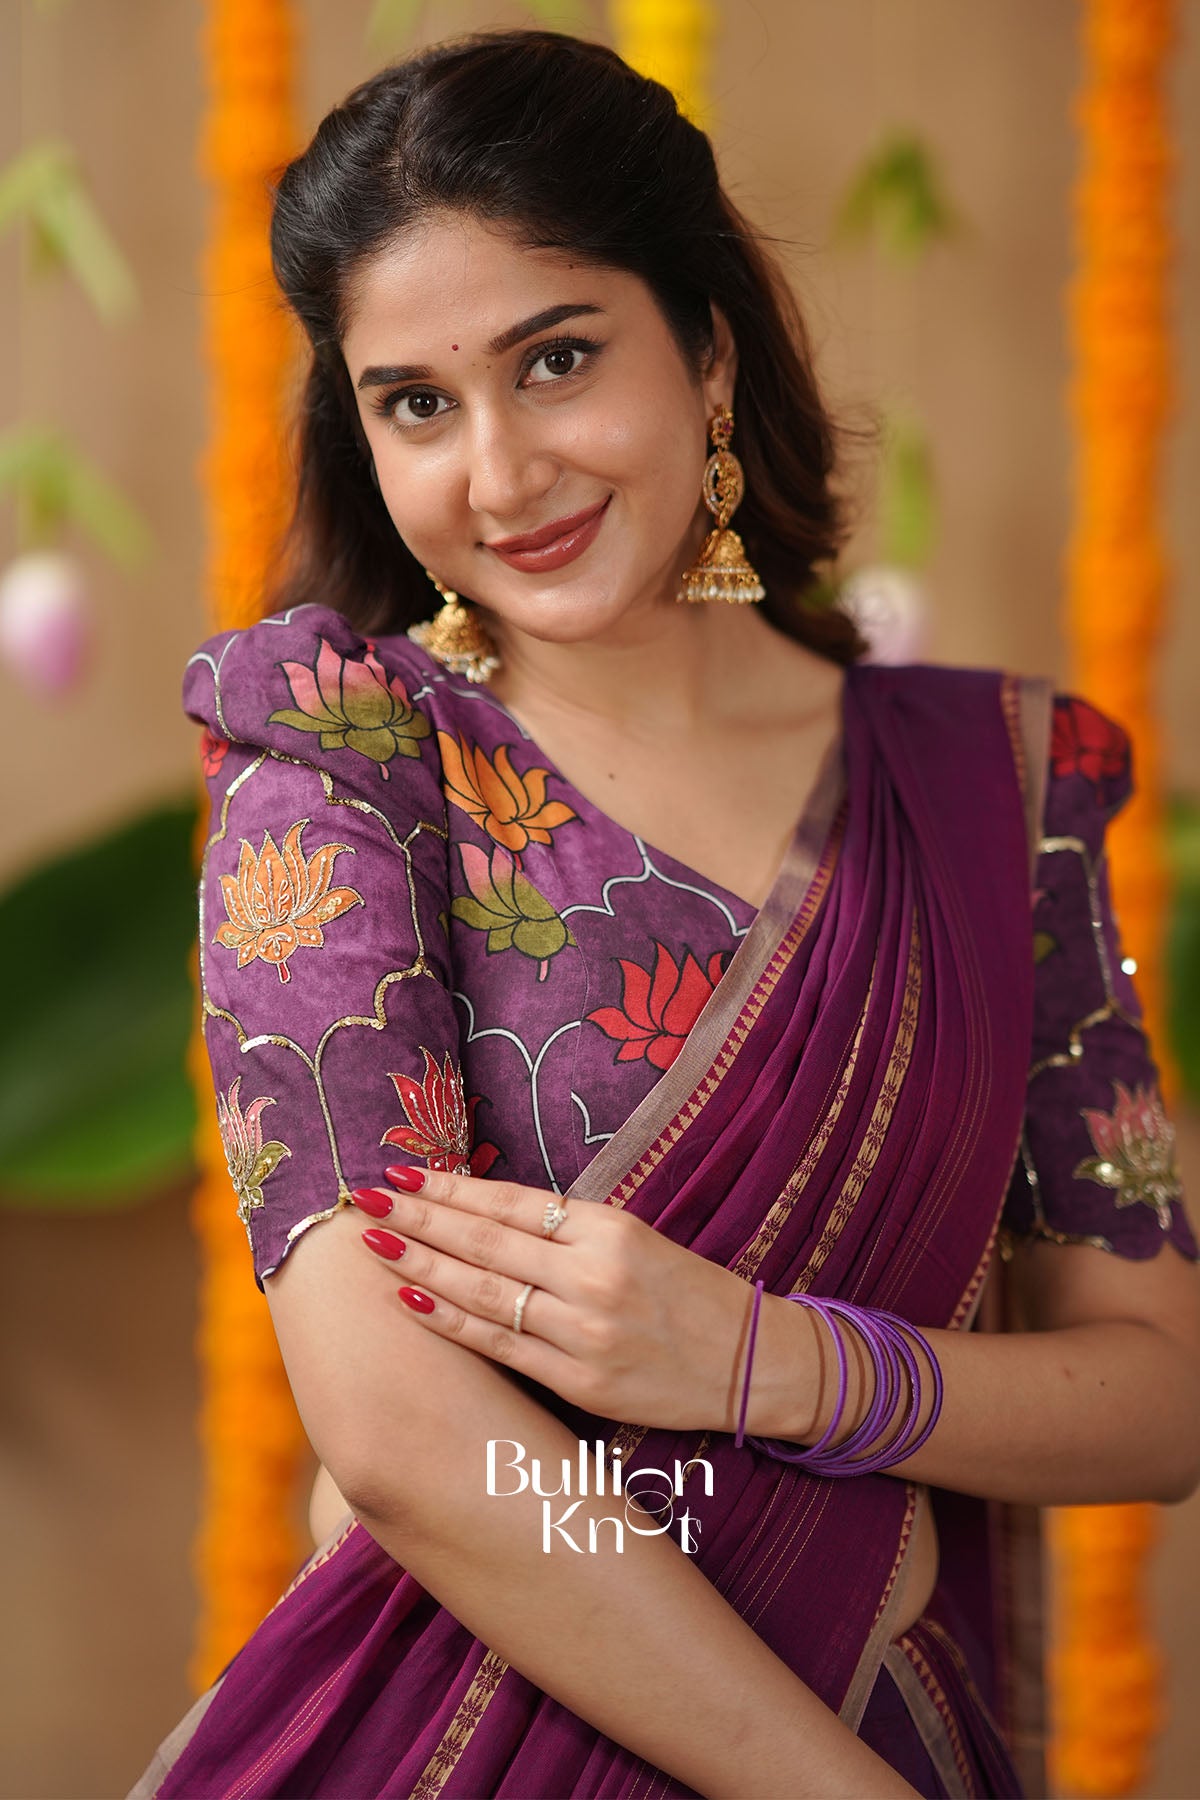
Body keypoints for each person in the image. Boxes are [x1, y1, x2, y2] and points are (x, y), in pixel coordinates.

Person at [131, 28, 1200, 1800]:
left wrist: (766, 1366)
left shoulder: (1003, 791)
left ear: (707, 351)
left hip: (890, 1703)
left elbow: (1160, 1399)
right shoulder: (339, 756)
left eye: (557, 360)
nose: (498, 474)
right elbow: (398, 1437)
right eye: (416, 401)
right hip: (461, 1746)